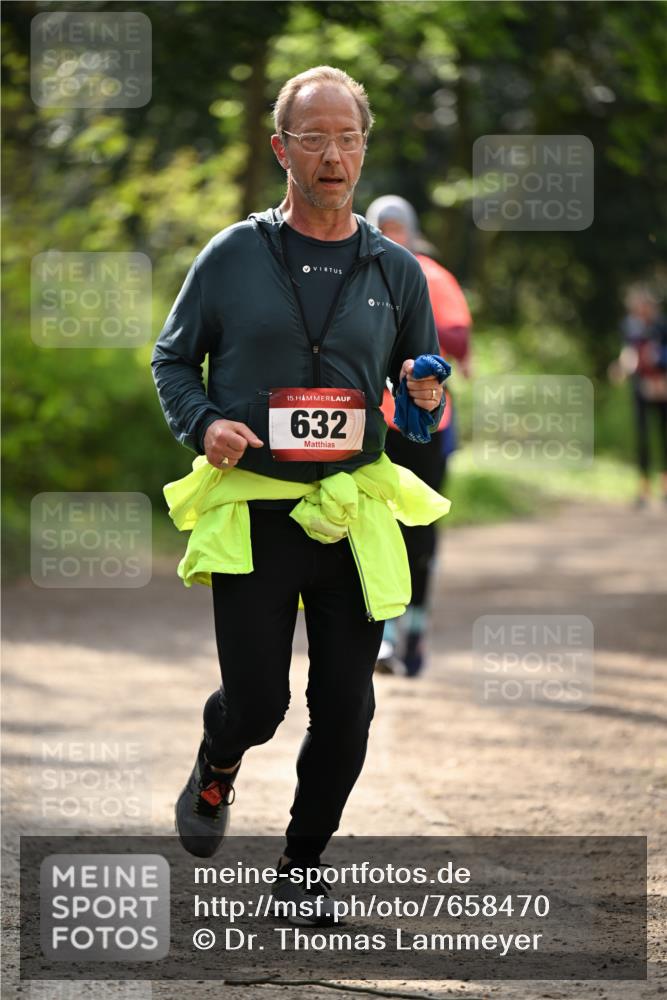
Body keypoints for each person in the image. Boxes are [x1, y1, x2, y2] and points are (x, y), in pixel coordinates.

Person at [151, 66, 449, 924]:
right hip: (255, 505)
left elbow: (421, 398)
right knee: (258, 702)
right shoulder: (233, 256)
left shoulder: (396, 270)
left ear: (364, 145)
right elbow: (173, 359)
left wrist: (427, 400)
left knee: (347, 708)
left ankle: (300, 866)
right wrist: (202, 422)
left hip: (350, 508)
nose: (332, 154)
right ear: (281, 148)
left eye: (347, 136)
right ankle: (217, 765)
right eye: (312, 137)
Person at [365, 195, 471, 676]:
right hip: (372, 422)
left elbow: (459, 338)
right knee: (375, 525)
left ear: (411, 230)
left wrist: (412, 319)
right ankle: (382, 635)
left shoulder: (430, 274)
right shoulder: (357, 269)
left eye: (397, 227)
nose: (390, 236)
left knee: (421, 532)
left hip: (427, 424)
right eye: (381, 227)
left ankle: (416, 634)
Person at [611, 285, 667, 508]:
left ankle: (665, 485)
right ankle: (643, 489)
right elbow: (628, 353)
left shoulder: (662, 326)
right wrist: (621, 367)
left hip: (663, 387)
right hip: (640, 387)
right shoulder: (628, 326)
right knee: (642, 437)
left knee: (664, 437)